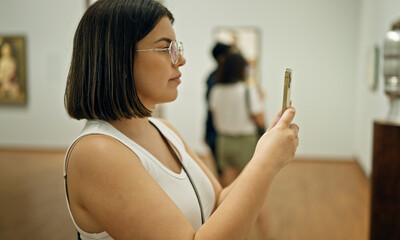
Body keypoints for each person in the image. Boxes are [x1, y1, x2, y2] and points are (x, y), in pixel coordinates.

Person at [63, 0, 299, 239]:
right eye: (166, 48)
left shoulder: (163, 129)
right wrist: (265, 164)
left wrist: (264, 154)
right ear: (118, 57)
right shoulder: (96, 152)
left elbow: (217, 204)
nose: (181, 59)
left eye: (177, 47)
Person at [209, 53, 269, 239]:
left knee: (227, 197)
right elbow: (260, 120)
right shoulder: (247, 91)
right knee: (256, 194)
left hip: (224, 142)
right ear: (241, 69)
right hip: (245, 142)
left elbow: (214, 114)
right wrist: (260, 100)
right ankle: (266, 236)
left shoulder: (216, 90)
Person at [204, 42, 231, 176]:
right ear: (221, 57)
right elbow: (210, 109)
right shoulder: (214, 79)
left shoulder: (215, 77)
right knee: (222, 172)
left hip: (218, 131)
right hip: (216, 132)